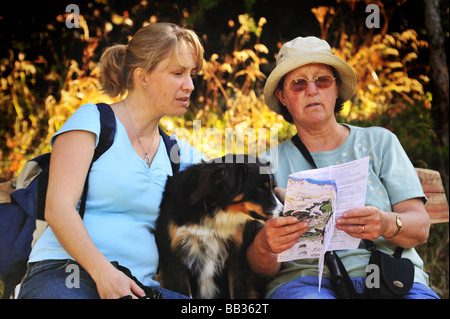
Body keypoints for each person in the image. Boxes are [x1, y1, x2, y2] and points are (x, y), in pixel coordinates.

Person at [18, 22, 204, 299]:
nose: (189, 85)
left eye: (192, 74)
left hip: (137, 288)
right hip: (66, 274)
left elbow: (233, 177)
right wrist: (103, 272)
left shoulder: (179, 154)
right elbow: (58, 208)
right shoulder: (93, 122)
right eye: (177, 73)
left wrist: (281, 192)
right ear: (143, 76)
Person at [248, 36, 439, 299]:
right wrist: (267, 245)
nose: (312, 90)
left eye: (322, 80)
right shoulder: (266, 164)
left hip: (391, 279)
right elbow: (260, 269)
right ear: (282, 96)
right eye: (298, 84)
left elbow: (420, 227)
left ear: (336, 89)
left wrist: (384, 224)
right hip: (307, 285)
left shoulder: (380, 142)